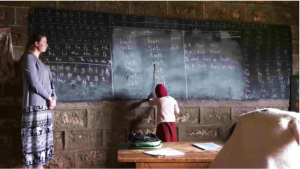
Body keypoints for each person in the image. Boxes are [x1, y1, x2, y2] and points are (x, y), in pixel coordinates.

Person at [21, 33, 56, 169]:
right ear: (36, 43)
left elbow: (51, 83)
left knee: (42, 148)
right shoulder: (28, 59)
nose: (47, 44)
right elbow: (35, 83)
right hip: (34, 108)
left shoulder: (42, 62)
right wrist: (48, 97)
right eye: (45, 41)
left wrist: (54, 98)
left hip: (45, 108)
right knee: (36, 147)